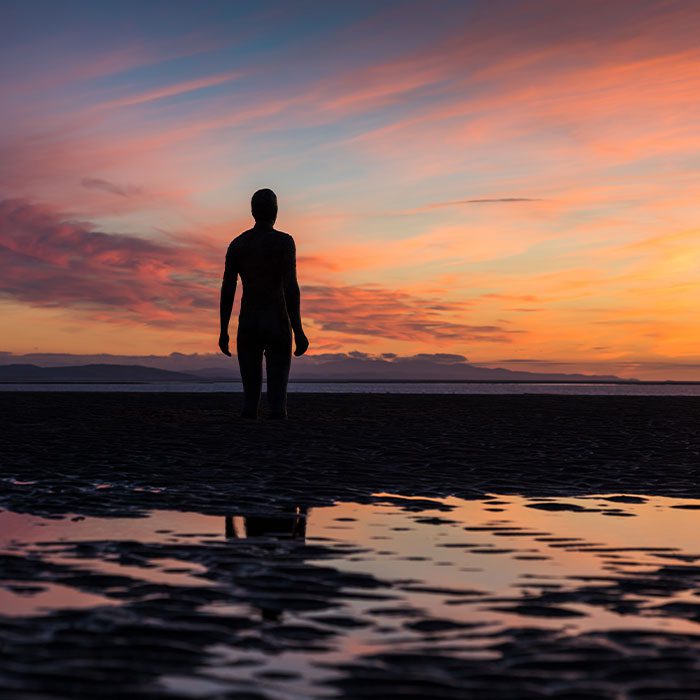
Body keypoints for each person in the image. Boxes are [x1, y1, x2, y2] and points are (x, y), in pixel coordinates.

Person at [219, 189, 309, 418]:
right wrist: (298, 329)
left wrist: (223, 330)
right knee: (278, 405)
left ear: (252, 212)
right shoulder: (284, 242)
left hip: (249, 321)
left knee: (250, 403)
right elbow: (291, 287)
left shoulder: (238, 244)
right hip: (277, 320)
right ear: (276, 211)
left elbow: (228, 289)